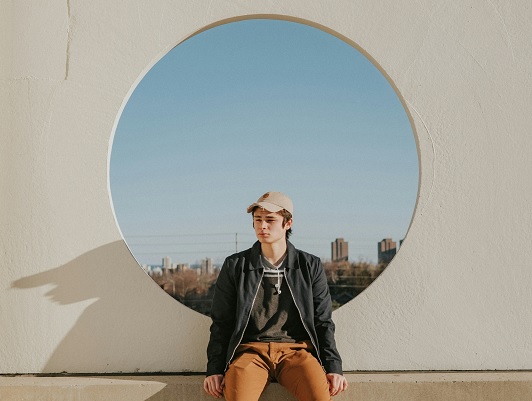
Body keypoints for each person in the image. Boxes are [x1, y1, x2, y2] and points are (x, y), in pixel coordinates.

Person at [204, 191, 348, 401]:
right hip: (250, 352)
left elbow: (323, 321)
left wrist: (334, 366)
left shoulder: (309, 266)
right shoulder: (236, 265)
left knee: (320, 397)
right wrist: (214, 369)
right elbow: (221, 321)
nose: (262, 226)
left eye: (270, 220)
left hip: (297, 351)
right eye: (257, 220)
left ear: (288, 223)